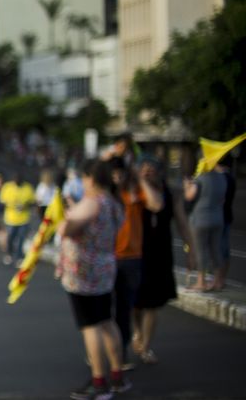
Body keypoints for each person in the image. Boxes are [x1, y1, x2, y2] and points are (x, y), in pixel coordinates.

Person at [57, 159, 128, 400]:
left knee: (91, 326)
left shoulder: (93, 202)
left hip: (84, 274)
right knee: (106, 321)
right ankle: (117, 375)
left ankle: (99, 381)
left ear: (90, 179)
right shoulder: (113, 203)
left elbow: (69, 228)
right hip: (105, 270)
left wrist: (63, 219)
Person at [131, 159, 194, 365]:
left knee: (153, 304)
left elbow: (183, 223)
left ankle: (146, 345)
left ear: (160, 173)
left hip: (160, 255)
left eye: (151, 170)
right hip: (136, 254)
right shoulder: (136, 192)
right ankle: (138, 332)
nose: (147, 174)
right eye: (144, 170)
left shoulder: (171, 194)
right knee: (135, 304)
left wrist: (190, 249)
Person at [108, 156, 163, 368]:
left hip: (131, 259)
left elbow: (156, 204)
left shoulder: (134, 192)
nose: (117, 177)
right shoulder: (105, 195)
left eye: (120, 173)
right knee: (105, 311)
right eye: (113, 174)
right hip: (108, 258)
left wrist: (141, 180)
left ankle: (120, 355)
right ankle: (101, 351)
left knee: (125, 310)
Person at [184, 167, 228, 291]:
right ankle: (218, 281)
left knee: (200, 250)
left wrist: (187, 185)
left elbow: (189, 196)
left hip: (201, 219)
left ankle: (201, 282)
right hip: (218, 218)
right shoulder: (222, 178)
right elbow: (223, 199)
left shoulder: (201, 178)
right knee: (216, 250)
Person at [0, 173, 35, 266]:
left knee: (21, 238)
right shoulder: (7, 187)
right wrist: (11, 204)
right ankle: (9, 253)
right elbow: (2, 201)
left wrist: (25, 205)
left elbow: (33, 202)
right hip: (11, 219)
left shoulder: (28, 188)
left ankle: (19, 256)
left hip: (24, 218)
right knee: (11, 237)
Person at [216, 156, 236, 286]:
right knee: (224, 249)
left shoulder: (221, 178)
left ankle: (218, 280)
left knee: (218, 249)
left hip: (218, 216)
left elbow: (220, 199)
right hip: (227, 215)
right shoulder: (231, 178)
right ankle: (221, 279)